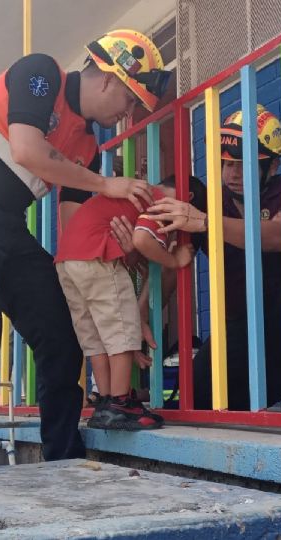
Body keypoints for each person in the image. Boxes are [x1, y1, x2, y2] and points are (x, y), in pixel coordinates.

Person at [0, 29, 172, 469]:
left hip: (7, 226)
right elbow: (27, 149)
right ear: (109, 79)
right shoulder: (41, 74)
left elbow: (74, 235)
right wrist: (107, 184)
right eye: (131, 101)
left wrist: (123, 254)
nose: (129, 113)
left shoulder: (88, 148)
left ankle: (64, 462)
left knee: (61, 334)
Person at [147, 105, 281, 412]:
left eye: (244, 164)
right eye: (226, 163)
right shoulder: (212, 202)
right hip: (239, 326)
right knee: (194, 402)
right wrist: (137, 320)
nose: (232, 173)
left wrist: (208, 222)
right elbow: (172, 267)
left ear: (273, 166)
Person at [55, 177, 193, 430]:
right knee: (122, 327)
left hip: (66, 261)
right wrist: (173, 260)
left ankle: (106, 403)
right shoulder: (161, 201)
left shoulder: (137, 197)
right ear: (187, 199)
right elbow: (142, 240)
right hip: (95, 256)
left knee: (95, 336)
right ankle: (120, 404)